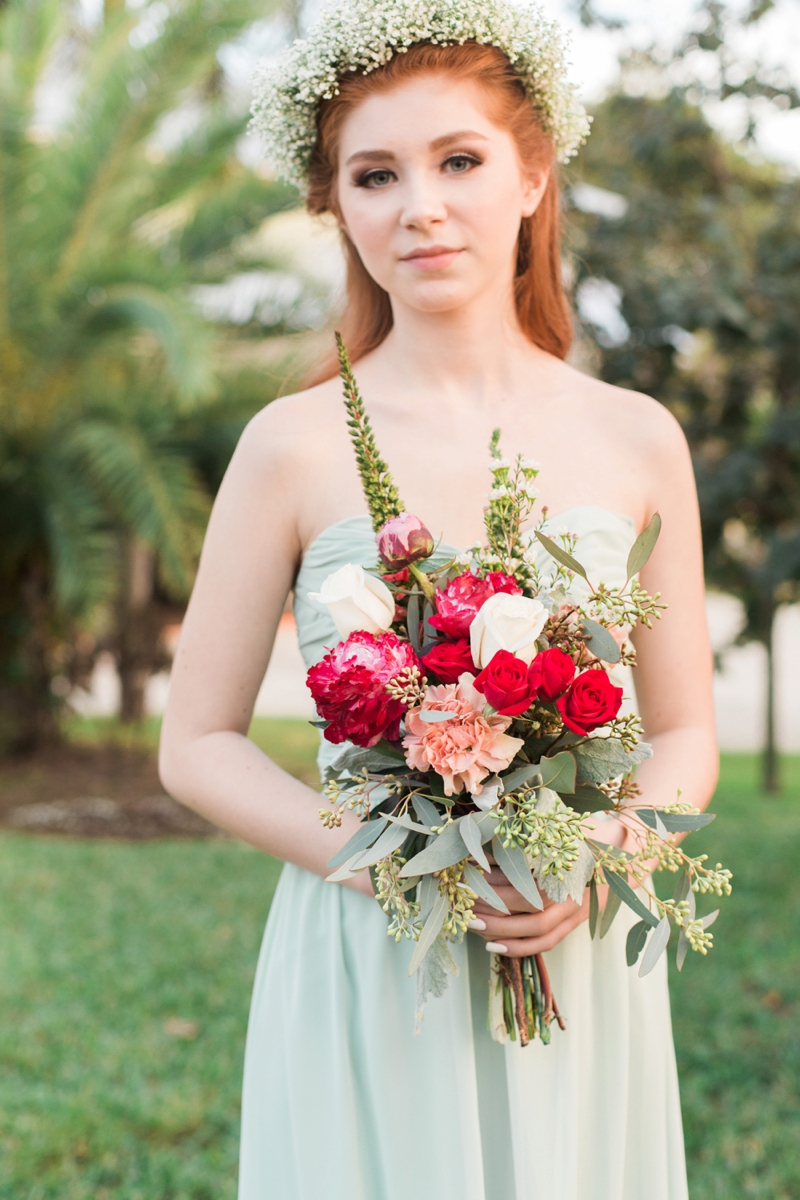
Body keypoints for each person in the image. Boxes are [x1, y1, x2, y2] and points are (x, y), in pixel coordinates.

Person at [158, 3, 718, 1197]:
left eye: (457, 160)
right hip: (372, 949)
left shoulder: (635, 437)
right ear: (335, 207)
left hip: (570, 952)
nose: (418, 205)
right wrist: (390, 861)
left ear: (530, 177)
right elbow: (194, 743)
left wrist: (597, 849)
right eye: (374, 174)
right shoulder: (290, 447)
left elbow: (684, 732)